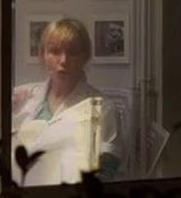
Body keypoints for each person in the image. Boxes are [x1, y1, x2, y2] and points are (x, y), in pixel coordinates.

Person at [11, 18, 123, 186]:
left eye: (73, 52)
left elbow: (105, 173)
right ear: (43, 55)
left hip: (68, 197)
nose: (63, 60)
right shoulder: (22, 97)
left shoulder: (102, 109)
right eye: (55, 51)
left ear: (85, 57)